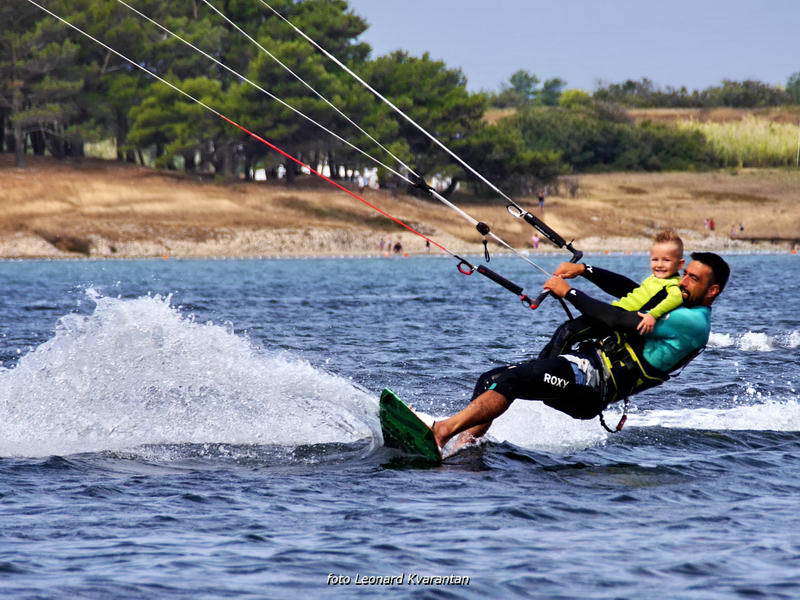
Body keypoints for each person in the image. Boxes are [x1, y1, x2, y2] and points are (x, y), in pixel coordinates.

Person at [428, 252, 730, 450]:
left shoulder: (691, 321)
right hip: (582, 366)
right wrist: (585, 270)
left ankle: (442, 432)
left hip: (594, 385)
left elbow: (616, 318)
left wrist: (569, 292)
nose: (683, 281)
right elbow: (631, 291)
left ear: (712, 290)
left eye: (693, 278)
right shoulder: (677, 297)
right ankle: (461, 450)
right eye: (685, 273)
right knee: (491, 379)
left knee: (511, 381)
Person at [539, 229, 685, 358]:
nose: (659, 264)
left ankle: (544, 372)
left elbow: (676, 298)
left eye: (666, 260)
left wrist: (652, 315)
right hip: (615, 312)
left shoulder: (673, 285)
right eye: (655, 259)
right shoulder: (654, 278)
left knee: (568, 332)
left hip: (619, 320)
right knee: (564, 330)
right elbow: (630, 289)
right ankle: (538, 365)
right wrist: (582, 269)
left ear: (680, 264)